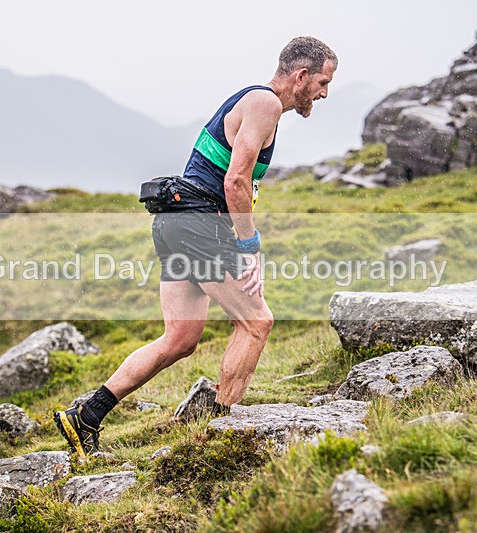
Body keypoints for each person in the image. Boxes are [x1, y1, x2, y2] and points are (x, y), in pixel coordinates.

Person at [55, 36, 337, 456]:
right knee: (257, 322)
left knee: (180, 339)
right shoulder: (266, 105)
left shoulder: (252, 101)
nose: (324, 93)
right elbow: (236, 180)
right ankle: (217, 438)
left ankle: (86, 416)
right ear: (301, 76)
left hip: (176, 223)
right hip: (197, 224)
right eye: (323, 82)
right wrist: (249, 247)